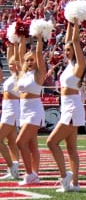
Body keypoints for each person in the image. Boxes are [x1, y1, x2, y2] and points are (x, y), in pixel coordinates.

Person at [47, 19, 86, 193]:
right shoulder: (69, 66)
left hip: (72, 108)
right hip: (67, 107)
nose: (67, 52)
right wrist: (70, 22)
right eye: (65, 50)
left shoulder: (79, 67)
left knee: (51, 142)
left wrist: (76, 22)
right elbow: (69, 40)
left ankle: (65, 177)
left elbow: (75, 41)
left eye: (69, 50)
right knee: (71, 149)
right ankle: (75, 184)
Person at [16, 33, 47, 186]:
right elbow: (19, 54)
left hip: (34, 110)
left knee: (20, 142)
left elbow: (39, 54)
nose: (29, 62)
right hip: (23, 110)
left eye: (31, 60)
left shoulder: (38, 75)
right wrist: (20, 37)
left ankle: (29, 174)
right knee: (32, 145)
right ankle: (36, 174)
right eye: (27, 60)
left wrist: (39, 39)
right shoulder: (24, 73)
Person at [0, 41, 20, 180]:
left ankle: (11, 166)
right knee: (12, 142)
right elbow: (10, 57)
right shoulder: (12, 76)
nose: (11, 65)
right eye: (10, 64)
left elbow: (17, 57)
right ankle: (14, 170)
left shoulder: (20, 76)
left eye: (14, 64)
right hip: (7, 107)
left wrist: (19, 43)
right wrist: (10, 43)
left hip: (12, 108)